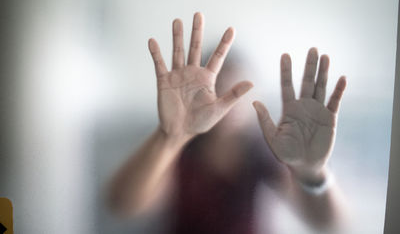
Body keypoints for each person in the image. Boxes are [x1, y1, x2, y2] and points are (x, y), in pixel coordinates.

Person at [108, 12, 349, 234]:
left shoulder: (265, 152)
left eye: (238, 94)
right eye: (219, 91)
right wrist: (169, 137)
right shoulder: (180, 154)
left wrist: (312, 172)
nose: (229, 106)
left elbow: (328, 222)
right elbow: (122, 204)